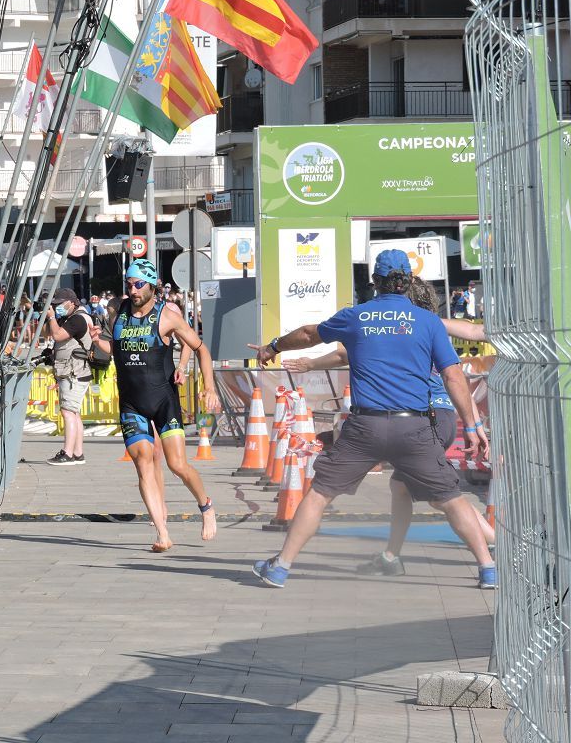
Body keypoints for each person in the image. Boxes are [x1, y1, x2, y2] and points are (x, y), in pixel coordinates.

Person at [249, 250, 494, 589]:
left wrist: (273, 347)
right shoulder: (428, 323)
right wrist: (473, 426)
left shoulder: (356, 317)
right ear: (408, 281)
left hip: (366, 427)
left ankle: (281, 566)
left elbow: (308, 334)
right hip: (416, 428)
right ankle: (487, 569)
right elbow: (453, 376)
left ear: (375, 283)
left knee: (320, 493)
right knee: (451, 497)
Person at [89, 259, 222, 552]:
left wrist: (208, 386)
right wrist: (98, 343)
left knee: (177, 465)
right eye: (129, 284)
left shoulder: (168, 316)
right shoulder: (118, 311)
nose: (133, 290)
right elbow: (116, 349)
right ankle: (162, 533)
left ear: (151, 286)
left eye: (138, 285)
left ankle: (206, 506)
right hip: (131, 403)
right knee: (143, 463)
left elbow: (202, 349)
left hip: (164, 401)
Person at [43, 287, 92, 465]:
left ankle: (68, 453)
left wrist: (51, 317)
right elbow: (48, 333)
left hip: (74, 372)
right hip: (74, 371)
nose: (57, 307)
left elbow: (56, 335)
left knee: (67, 412)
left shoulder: (77, 320)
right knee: (74, 412)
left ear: (72, 302)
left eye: (60, 304)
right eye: (54, 305)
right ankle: (78, 453)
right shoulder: (72, 317)